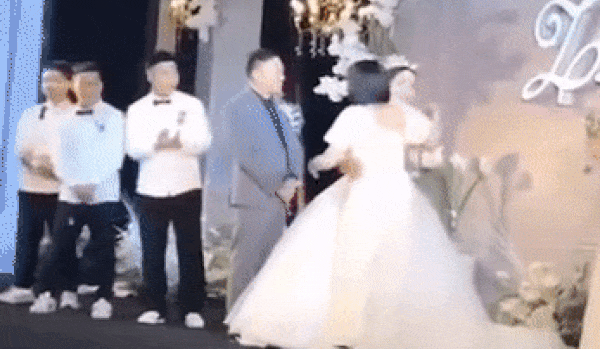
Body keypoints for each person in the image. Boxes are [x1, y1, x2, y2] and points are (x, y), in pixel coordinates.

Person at [225, 60, 565, 349]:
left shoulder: (354, 115)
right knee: (396, 262)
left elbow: (331, 157)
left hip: (366, 192)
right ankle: (385, 329)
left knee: (354, 261)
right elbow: (428, 139)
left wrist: (315, 164)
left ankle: (346, 330)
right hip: (399, 193)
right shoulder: (404, 115)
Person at [29, 61, 125, 320]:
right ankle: (47, 294)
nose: (87, 88)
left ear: (101, 86)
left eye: (93, 83)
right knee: (59, 245)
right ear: (73, 85)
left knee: (104, 248)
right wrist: (75, 183)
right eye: (82, 83)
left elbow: (114, 156)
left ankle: (103, 299)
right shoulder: (65, 120)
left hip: (103, 195)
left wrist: (92, 182)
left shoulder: (114, 117)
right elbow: (59, 157)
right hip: (70, 195)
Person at [126, 51, 212, 328]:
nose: (169, 78)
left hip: (186, 185)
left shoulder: (192, 104)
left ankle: (192, 307)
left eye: (173, 72)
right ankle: (155, 305)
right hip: (151, 187)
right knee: (152, 250)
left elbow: (204, 141)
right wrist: (156, 144)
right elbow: (132, 148)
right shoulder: (137, 109)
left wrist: (180, 142)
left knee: (190, 249)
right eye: (162, 72)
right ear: (150, 75)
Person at [222, 48, 304, 310]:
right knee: (246, 260)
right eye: (277, 70)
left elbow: (293, 147)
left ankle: (256, 317)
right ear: (257, 73)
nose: (283, 76)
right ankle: (236, 315)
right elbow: (247, 154)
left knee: (269, 262)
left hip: (280, 196)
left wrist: (293, 179)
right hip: (255, 195)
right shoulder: (239, 106)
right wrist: (279, 185)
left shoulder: (278, 108)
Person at [0, 62, 74, 305]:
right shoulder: (32, 113)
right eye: (46, 81)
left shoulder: (76, 114)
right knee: (27, 237)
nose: (50, 85)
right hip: (30, 186)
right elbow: (21, 147)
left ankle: (66, 289)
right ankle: (23, 284)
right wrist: (34, 163)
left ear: (69, 82)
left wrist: (54, 168)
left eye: (56, 80)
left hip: (62, 190)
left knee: (63, 240)